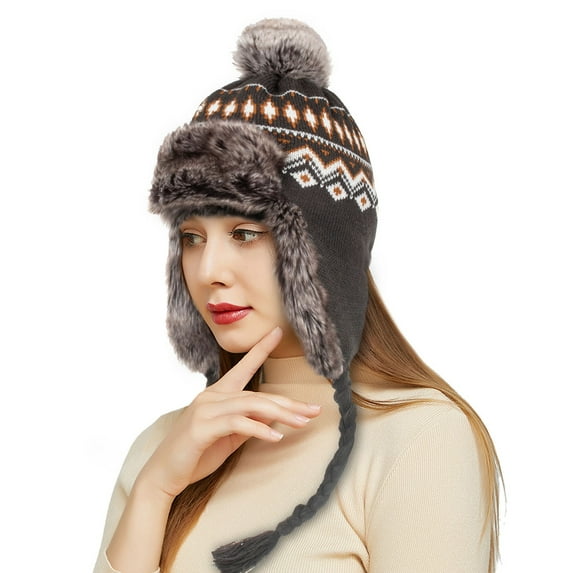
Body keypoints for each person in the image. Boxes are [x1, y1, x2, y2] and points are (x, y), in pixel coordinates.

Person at [94, 18, 502, 573]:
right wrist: (155, 490)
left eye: (245, 233)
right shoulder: (163, 449)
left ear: (323, 251)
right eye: (191, 237)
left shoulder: (421, 438)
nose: (208, 270)